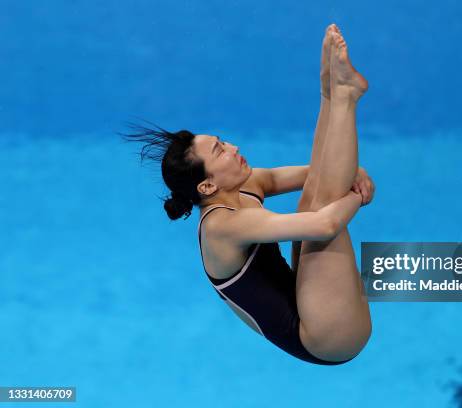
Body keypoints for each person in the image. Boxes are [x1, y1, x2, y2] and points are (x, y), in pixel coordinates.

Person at [121, 24, 374, 365]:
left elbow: (313, 174)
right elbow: (326, 225)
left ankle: (330, 94)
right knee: (318, 211)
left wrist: (351, 173)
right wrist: (356, 194)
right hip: (328, 338)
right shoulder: (223, 227)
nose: (234, 148)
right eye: (221, 151)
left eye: (223, 142)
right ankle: (345, 99)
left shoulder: (241, 185)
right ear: (207, 186)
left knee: (316, 192)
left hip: (318, 300)